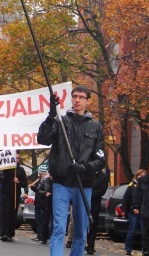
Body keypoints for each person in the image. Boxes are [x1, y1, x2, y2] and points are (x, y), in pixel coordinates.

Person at [37, 85, 105, 256]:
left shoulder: (95, 127)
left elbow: (100, 160)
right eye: (75, 96)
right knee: (59, 227)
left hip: (84, 184)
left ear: (88, 101)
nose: (77, 100)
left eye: (82, 97)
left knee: (81, 232)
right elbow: (43, 139)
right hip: (61, 183)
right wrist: (51, 114)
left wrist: (84, 168)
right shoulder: (61, 121)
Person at [0, 155, 27, 242]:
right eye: (15, 158)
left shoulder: (21, 170)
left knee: (12, 214)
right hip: (5, 194)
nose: (16, 160)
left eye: (18, 158)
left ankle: (10, 233)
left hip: (15, 195)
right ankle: (4, 233)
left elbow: (24, 183)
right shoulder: (6, 168)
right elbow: (0, 177)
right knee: (5, 213)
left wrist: (18, 182)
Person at [123, 169, 147, 256]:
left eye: (143, 175)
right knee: (132, 231)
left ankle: (145, 251)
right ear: (137, 176)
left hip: (144, 212)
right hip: (133, 212)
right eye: (140, 175)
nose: (142, 177)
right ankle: (128, 249)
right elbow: (126, 198)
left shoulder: (147, 185)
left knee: (145, 232)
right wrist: (126, 210)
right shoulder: (132, 185)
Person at [85, 169, 109, 254]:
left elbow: (102, 191)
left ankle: (90, 245)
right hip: (84, 202)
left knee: (93, 225)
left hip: (95, 203)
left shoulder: (103, 177)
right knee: (82, 223)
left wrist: (89, 194)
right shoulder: (87, 173)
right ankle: (82, 242)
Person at [33, 164, 52, 244]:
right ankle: (44, 237)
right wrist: (44, 193)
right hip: (45, 204)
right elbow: (39, 191)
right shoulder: (43, 181)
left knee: (51, 223)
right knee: (44, 222)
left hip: (51, 203)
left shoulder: (52, 182)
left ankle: (48, 237)